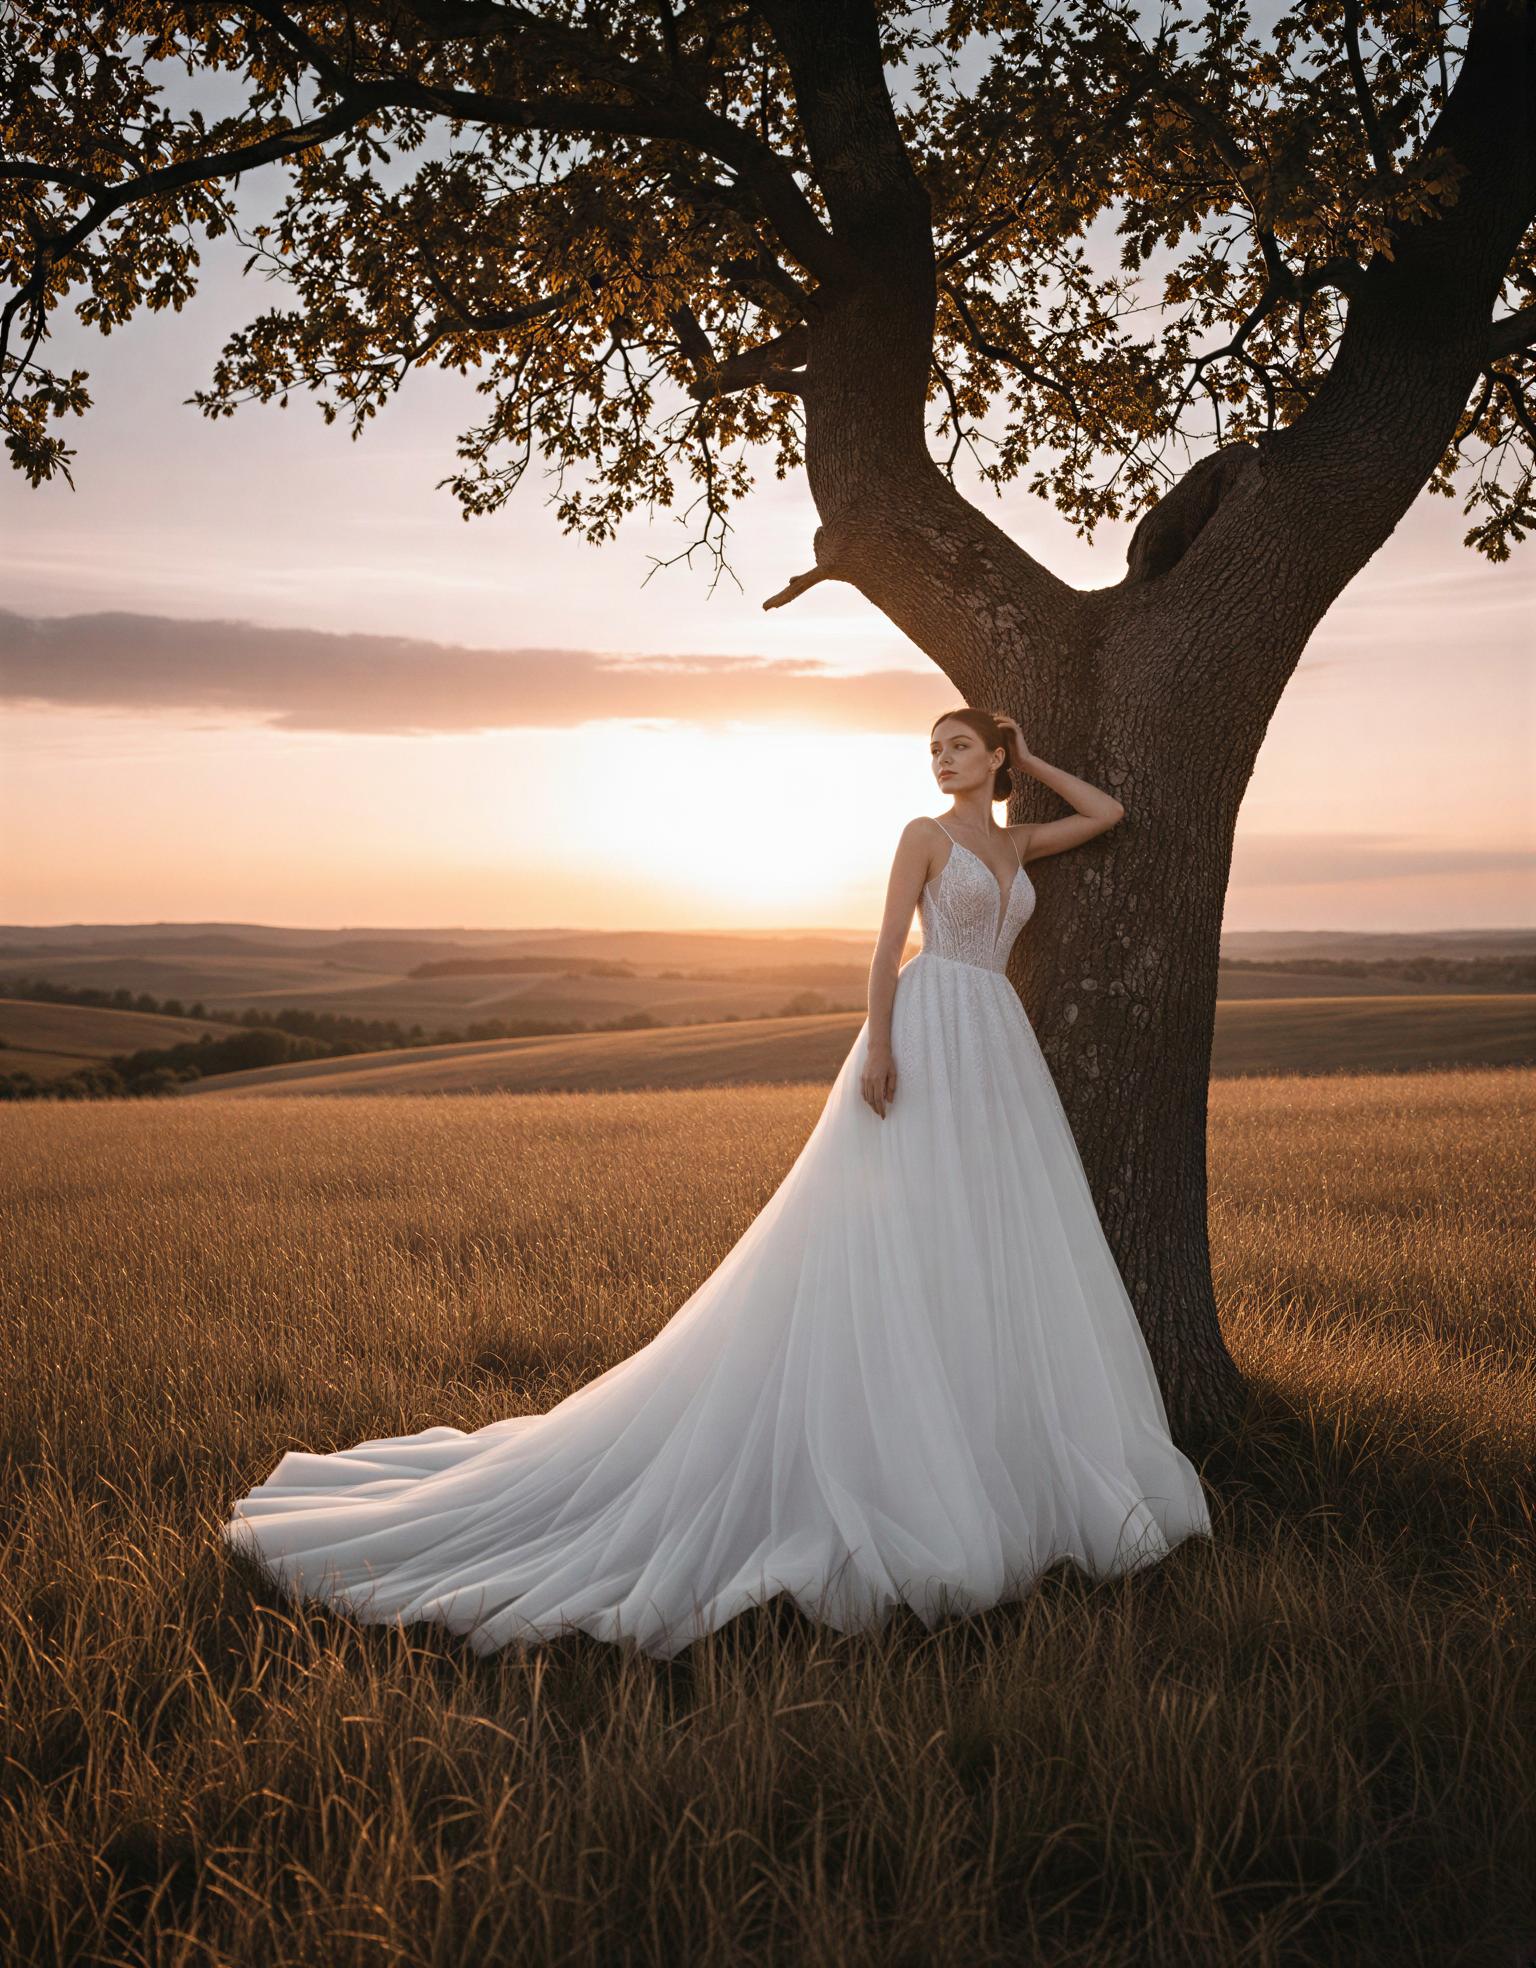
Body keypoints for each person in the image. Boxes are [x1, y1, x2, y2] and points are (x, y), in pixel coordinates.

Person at [223, 707, 1213, 1658]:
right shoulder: (921, 834)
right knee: (901, 1221)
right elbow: (884, 948)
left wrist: (1030, 761)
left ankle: (984, 1432)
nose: (940, 759)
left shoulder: (1015, 846)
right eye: (932, 747)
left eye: (959, 747)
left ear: (993, 757)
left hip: (994, 1041)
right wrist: (879, 1047)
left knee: (987, 1225)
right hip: (925, 1023)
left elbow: (1108, 816)